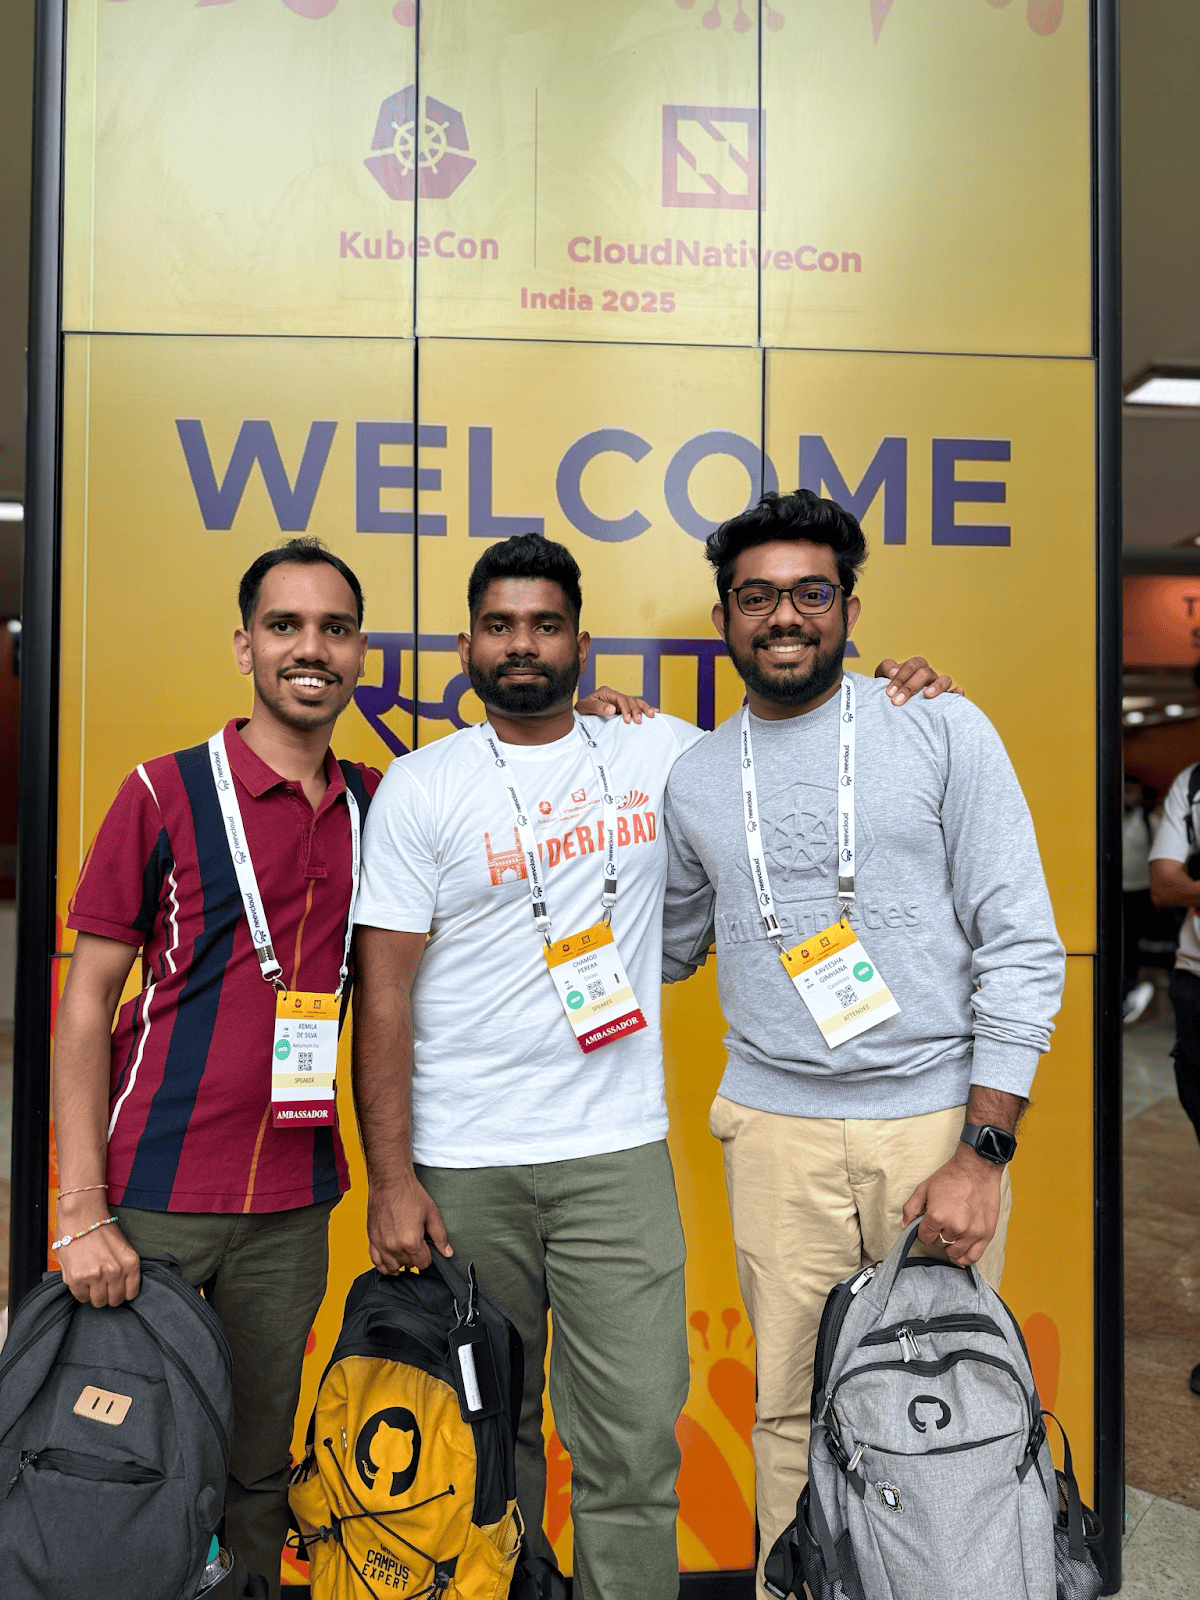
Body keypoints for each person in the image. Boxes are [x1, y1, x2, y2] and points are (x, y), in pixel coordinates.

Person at [350, 530, 958, 1600]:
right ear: (465, 645)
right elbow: (383, 992)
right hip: (462, 1162)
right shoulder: (420, 787)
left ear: (583, 641)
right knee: (485, 1437)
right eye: (501, 626)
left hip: (615, 1159)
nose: (523, 644)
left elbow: (797, 727)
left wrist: (902, 686)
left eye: (545, 624)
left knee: (631, 1445)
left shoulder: (668, 751)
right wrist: (392, 1179)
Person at [660, 490, 1065, 1598]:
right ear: (723, 616)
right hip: (776, 1131)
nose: (783, 616)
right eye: (758, 596)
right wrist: (599, 756)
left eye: (809, 592)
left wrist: (983, 1151)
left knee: (949, 1396)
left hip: (933, 1126)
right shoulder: (694, 774)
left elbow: (1022, 945)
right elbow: (672, 942)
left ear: (848, 605)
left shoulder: (938, 726)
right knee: (788, 1406)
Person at [1123, 778, 1158, 1025]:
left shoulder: (1149, 821)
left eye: (1131, 792)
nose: (1126, 797)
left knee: (1133, 940)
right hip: (1113, 892)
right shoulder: (1103, 816)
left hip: (1139, 891)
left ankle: (1133, 985)